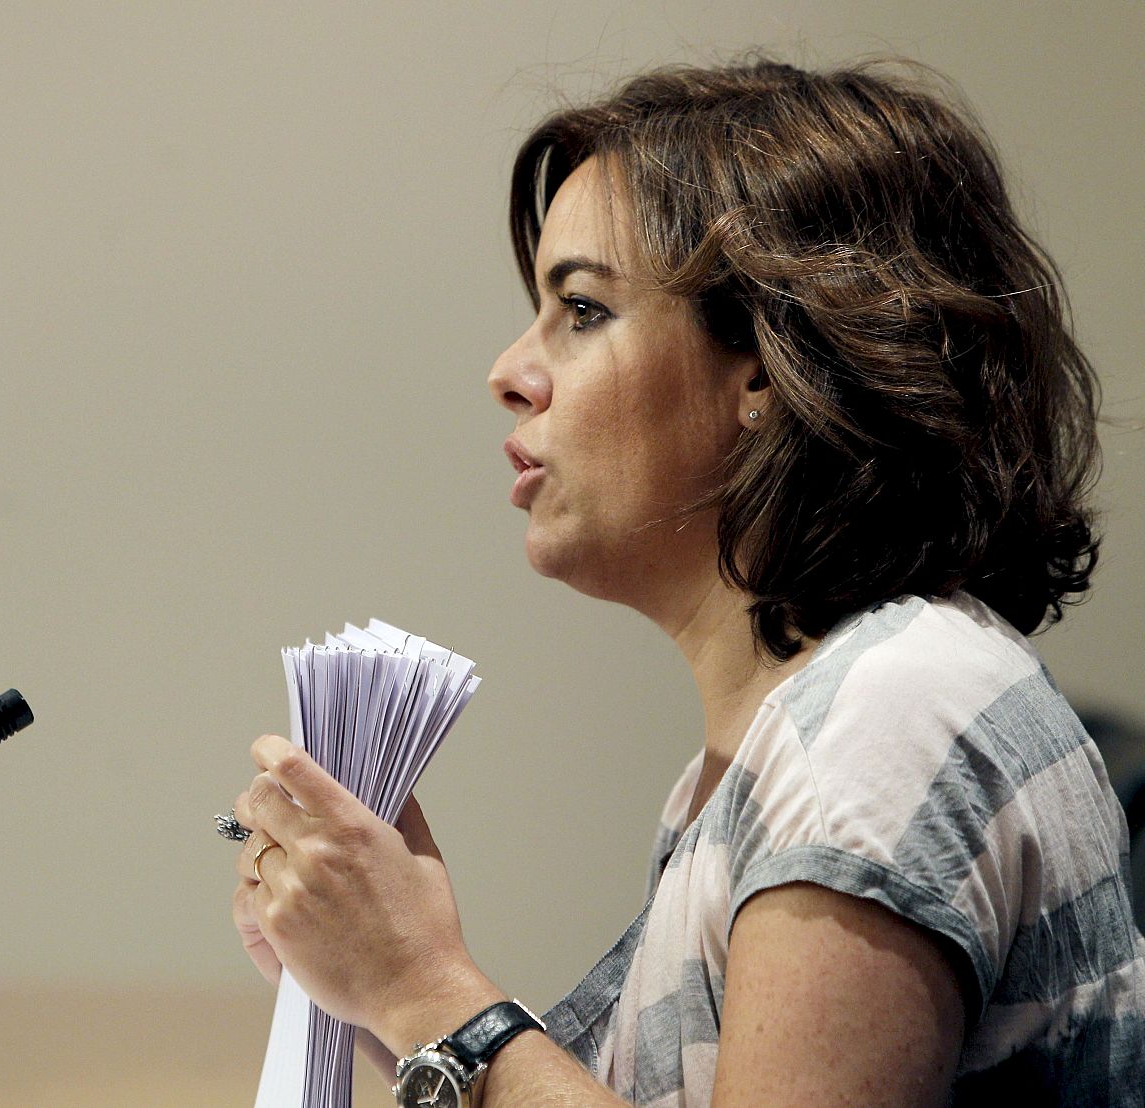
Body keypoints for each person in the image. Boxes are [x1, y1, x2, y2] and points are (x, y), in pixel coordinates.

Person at [230, 57, 1145, 1106]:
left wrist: (422, 988)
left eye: (581, 309)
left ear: (764, 362)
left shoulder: (881, 724)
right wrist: (368, 988)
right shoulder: (797, 733)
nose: (509, 371)